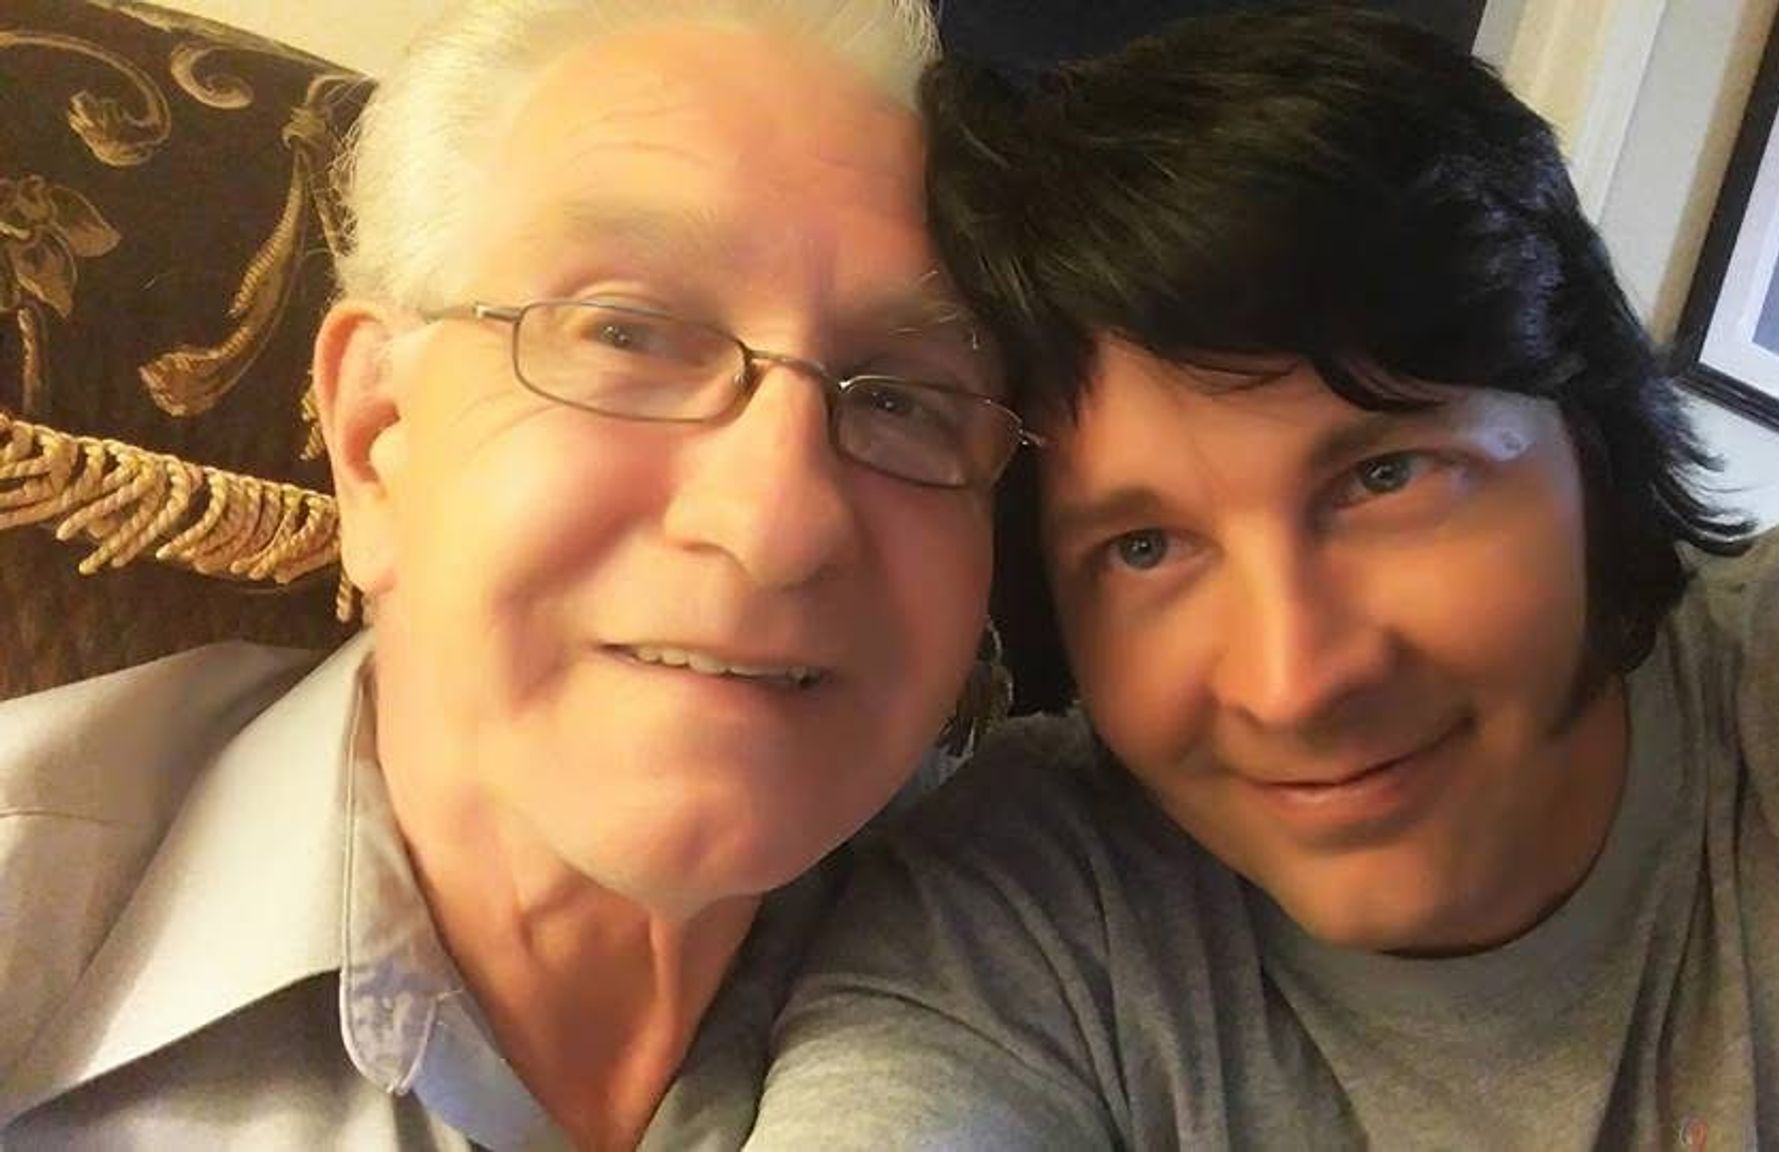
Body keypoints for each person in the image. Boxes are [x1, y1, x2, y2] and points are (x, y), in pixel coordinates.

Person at [752, 3, 1779, 1147]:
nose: (1295, 680)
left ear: (1590, 446)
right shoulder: (1011, 918)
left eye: (1385, 477)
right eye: (1143, 549)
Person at [0, 0, 1033, 1147]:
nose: (778, 523)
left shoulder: (1071, 957)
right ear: (377, 436)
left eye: (903, 400)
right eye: (626, 334)